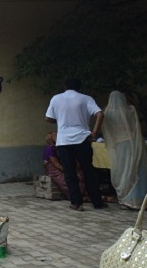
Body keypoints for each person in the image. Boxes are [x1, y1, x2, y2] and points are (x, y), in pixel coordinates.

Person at [45, 78, 106, 211]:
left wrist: (61, 119)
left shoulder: (56, 98)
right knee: (88, 171)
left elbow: (48, 118)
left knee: (69, 172)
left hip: (63, 141)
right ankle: (97, 202)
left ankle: (76, 203)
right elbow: (100, 114)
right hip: (82, 139)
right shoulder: (86, 99)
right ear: (79, 88)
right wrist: (94, 132)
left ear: (65, 86)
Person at [103, 90, 147, 210]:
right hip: (133, 144)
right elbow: (136, 127)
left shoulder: (107, 112)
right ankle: (139, 200)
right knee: (135, 171)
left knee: (123, 171)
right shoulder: (130, 110)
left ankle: (125, 199)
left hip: (119, 145)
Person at [43, 131, 88, 201]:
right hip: (54, 169)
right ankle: (77, 196)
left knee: (82, 174)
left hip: (64, 166)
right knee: (65, 179)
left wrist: (76, 170)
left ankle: (86, 194)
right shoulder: (50, 148)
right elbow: (56, 164)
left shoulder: (64, 147)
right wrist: (69, 171)